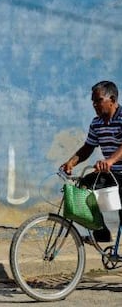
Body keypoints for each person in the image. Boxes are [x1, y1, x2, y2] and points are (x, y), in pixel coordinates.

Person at [61, 80, 122, 242]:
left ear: (113, 100)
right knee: (83, 187)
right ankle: (101, 232)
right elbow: (88, 147)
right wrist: (71, 162)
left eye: (98, 100)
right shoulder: (97, 123)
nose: (95, 105)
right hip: (112, 173)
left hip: (116, 170)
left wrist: (110, 161)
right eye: (93, 102)